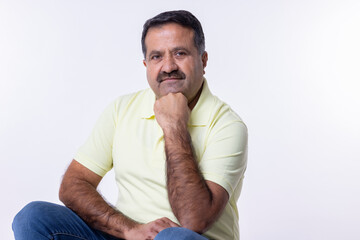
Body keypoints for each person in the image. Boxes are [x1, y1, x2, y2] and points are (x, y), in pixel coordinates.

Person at [12, 10, 248, 240]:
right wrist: (128, 229)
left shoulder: (227, 125)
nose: (168, 67)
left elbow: (193, 221)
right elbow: (74, 184)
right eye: (157, 56)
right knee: (33, 217)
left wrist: (174, 126)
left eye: (180, 53)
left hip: (184, 238)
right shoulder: (121, 109)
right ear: (146, 64)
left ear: (203, 60)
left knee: (173, 237)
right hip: (128, 236)